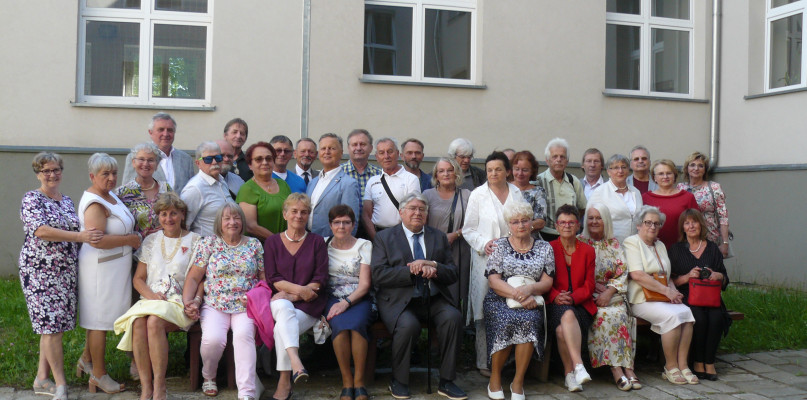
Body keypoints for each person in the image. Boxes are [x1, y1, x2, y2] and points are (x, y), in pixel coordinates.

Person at [19, 152, 103, 400]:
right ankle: (61, 385)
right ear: (38, 174)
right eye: (46, 170)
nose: (52, 174)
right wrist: (80, 237)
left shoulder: (66, 200)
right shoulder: (32, 199)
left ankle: (41, 378)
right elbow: (41, 231)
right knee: (50, 327)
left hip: (65, 272)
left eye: (56, 169)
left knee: (54, 328)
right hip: (40, 271)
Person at [371, 193, 467, 400]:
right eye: (412, 209)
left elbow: (452, 273)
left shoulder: (438, 236)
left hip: (433, 298)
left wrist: (434, 266)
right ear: (401, 212)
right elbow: (378, 275)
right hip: (400, 300)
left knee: (453, 318)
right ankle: (399, 380)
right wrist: (411, 271)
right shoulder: (384, 238)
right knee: (408, 326)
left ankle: (447, 381)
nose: (417, 213)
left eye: (422, 209)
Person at [113, 193, 201, 400]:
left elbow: (200, 279)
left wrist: (194, 302)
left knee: (153, 322)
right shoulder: (151, 240)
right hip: (152, 299)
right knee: (137, 323)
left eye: (173, 213)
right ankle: (146, 387)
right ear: (158, 216)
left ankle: (160, 386)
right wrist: (151, 296)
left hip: (179, 300)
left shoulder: (195, 240)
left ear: (182, 215)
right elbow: (138, 279)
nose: (168, 219)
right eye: (163, 214)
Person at [182, 203, 264, 399]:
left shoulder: (254, 245)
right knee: (213, 339)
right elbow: (193, 277)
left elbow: (263, 279)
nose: (232, 222)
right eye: (227, 218)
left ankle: (247, 392)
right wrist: (188, 302)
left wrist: (255, 297)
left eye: (236, 218)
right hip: (214, 303)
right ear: (219, 222)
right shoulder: (209, 244)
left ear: (242, 221)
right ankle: (208, 376)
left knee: (243, 336)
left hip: (245, 304)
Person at [77, 153, 140, 394]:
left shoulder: (110, 195)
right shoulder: (95, 203)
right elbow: (97, 240)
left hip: (114, 267)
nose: (112, 178)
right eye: (105, 174)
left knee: (101, 319)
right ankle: (99, 375)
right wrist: (129, 240)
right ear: (92, 176)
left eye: (114, 173)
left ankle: (86, 360)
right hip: (100, 269)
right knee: (99, 322)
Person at [483, 201, 554, 400]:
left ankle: (518, 382)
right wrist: (518, 295)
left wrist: (529, 290)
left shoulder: (545, 247)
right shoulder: (499, 245)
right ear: (509, 225)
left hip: (531, 298)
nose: (520, 225)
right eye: (515, 222)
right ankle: (495, 378)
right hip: (500, 298)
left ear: (531, 222)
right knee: (506, 320)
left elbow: (547, 281)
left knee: (529, 320)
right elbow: (493, 280)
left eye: (525, 220)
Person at [463, 151, 524, 376]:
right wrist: (484, 243)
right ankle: (483, 361)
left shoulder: (516, 192)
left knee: (512, 305)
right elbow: (468, 229)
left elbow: (523, 222)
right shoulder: (478, 195)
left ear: (507, 171)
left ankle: (508, 359)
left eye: (498, 169)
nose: (493, 173)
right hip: (486, 259)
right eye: (489, 170)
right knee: (484, 309)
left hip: (514, 259)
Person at [263, 193, 329, 400]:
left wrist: (293, 296)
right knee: (283, 309)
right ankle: (296, 362)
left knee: (281, 327)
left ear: (308, 215)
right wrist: (299, 292)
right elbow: (274, 279)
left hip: (309, 305)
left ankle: (284, 380)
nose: (298, 216)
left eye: (303, 212)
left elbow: (319, 279)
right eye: (294, 211)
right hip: (279, 301)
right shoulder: (272, 242)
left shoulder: (317, 242)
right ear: (285, 214)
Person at [624, 206, 698, 386]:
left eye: (656, 223)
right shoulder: (631, 242)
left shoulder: (660, 245)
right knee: (672, 316)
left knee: (686, 313)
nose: (652, 226)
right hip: (641, 298)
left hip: (662, 297)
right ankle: (670, 367)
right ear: (639, 225)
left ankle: (683, 365)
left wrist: (673, 292)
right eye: (648, 222)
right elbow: (637, 275)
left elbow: (666, 275)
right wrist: (667, 292)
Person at [578, 203, 638, 391]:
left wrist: (609, 291)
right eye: (591, 218)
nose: (594, 222)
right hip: (589, 295)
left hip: (612, 294)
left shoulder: (614, 243)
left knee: (620, 315)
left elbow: (623, 272)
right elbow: (576, 273)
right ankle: (616, 370)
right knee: (604, 316)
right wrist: (593, 286)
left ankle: (628, 368)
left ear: (606, 221)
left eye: (599, 218)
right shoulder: (580, 241)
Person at [669, 209, 730, 381]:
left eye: (694, 222)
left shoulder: (712, 248)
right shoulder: (676, 250)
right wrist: (688, 277)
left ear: (701, 224)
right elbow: (671, 281)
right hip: (687, 296)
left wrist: (718, 276)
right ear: (682, 228)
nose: (691, 226)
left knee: (717, 318)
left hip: (710, 296)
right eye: (687, 223)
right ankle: (697, 361)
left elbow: (725, 278)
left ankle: (709, 362)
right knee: (699, 319)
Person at [323, 205, 373, 400]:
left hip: (358, 297)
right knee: (339, 325)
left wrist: (346, 303)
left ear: (353, 225)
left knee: (358, 324)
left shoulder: (364, 245)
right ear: (330, 225)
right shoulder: (323, 244)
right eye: (337, 222)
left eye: (346, 222)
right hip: (331, 297)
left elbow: (365, 284)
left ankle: (359, 382)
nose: (341, 226)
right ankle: (346, 381)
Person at [547, 205, 596, 392]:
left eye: (571, 222)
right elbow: (542, 280)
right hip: (554, 303)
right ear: (556, 226)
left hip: (581, 305)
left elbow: (589, 286)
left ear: (578, 225)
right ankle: (578, 366)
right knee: (566, 315)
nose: (566, 226)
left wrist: (573, 298)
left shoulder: (588, 251)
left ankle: (569, 374)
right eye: (562, 222)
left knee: (562, 330)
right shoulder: (548, 248)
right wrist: (555, 296)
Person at [422, 158, 472, 320]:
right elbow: (421, 223)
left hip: (459, 248)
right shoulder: (427, 195)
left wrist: (456, 234)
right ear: (436, 175)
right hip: (433, 248)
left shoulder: (466, 195)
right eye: (441, 171)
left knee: (456, 289)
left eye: (450, 170)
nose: (446, 174)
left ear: (456, 173)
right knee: (435, 288)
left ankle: (457, 326)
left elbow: (474, 223)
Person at [362, 138, 421, 241]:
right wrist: (376, 239)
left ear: (397, 154)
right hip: (377, 234)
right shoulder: (372, 181)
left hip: (402, 235)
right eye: (381, 153)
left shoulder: (411, 179)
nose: (386, 156)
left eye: (390, 151)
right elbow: (366, 214)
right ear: (377, 157)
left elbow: (414, 211)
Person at [122, 112, 195, 194]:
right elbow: (127, 192)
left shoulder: (186, 159)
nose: (165, 134)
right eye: (161, 130)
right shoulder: (136, 157)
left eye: (170, 130)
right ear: (150, 132)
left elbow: (191, 191)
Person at [677, 152, 731, 257]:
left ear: (705, 169)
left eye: (700, 166)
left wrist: (725, 242)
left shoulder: (714, 187)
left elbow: (723, 217)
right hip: (687, 238)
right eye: (692, 165)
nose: (696, 168)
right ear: (687, 168)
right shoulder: (680, 188)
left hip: (710, 237)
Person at [307, 133, 361, 237]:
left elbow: (350, 221)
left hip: (332, 242)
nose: (327, 152)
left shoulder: (348, 184)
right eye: (323, 148)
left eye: (332, 148)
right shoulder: (312, 182)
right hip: (309, 239)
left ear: (341, 153)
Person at [236, 141, 292, 241]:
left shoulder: (283, 185)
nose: (265, 162)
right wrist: (279, 241)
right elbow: (250, 226)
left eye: (269, 158)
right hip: (261, 247)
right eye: (259, 159)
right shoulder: (248, 189)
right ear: (250, 165)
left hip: (286, 244)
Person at [535, 138, 587, 242]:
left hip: (569, 235)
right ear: (547, 160)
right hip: (545, 236)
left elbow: (582, 207)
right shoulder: (539, 181)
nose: (559, 160)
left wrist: (570, 223)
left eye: (562, 157)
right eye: (554, 156)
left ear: (567, 161)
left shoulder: (573, 181)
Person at [117, 142, 172, 238]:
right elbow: (117, 225)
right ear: (133, 163)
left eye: (150, 160)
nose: (146, 164)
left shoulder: (166, 189)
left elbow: (176, 215)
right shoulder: (122, 193)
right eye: (141, 159)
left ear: (157, 164)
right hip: (135, 245)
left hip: (163, 244)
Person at [181, 142, 234, 237]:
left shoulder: (221, 181)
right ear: (198, 163)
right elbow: (183, 225)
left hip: (226, 243)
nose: (214, 162)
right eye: (208, 159)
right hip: (205, 244)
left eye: (218, 158)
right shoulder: (194, 188)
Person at [642, 160, 698, 248]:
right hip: (652, 247)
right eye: (661, 174)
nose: (665, 176)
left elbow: (696, 224)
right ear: (654, 177)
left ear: (674, 175)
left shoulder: (687, 197)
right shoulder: (645, 198)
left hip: (682, 248)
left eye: (669, 173)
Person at [589, 154, 643, 242]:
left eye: (623, 167)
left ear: (628, 170)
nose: (620, 171)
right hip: (609, 244)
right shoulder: (600, 192)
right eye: (616, 168)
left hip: (634, 244)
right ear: (608, 171)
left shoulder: (635, 191)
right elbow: (590, 220)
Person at [510, 151, 548, 239]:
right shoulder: (505, 188)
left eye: (525, 170)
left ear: (532, 171)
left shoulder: (538, 192)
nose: (520, 173)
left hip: (530, 240)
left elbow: (541, 222)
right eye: (517, 169)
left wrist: (520, 229)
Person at [342, 129, 382, 198]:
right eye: (354, 145)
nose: (358, 148)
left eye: (362, 144)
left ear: (371, 148)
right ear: (348, 148)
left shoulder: (380, 174)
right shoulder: (338, 173)